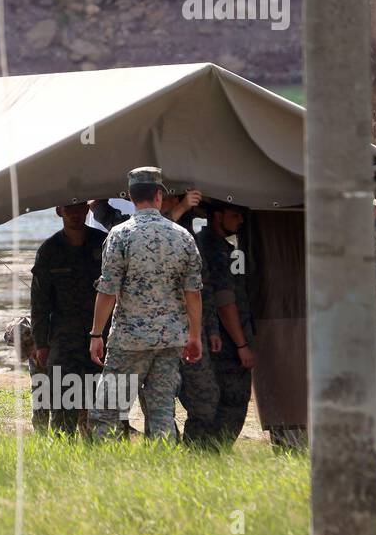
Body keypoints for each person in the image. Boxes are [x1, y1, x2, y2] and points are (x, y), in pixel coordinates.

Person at [88, 167, 203, 441]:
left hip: (130, 339)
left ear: (130, 195)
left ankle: (104, 466)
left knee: (108, 408)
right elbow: (193, 293)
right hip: (170, 338)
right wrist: (194, 335)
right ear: (159, 195)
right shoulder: (183, 236)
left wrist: (96, 333)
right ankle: (163, 467)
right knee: (162, 407)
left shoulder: (119, 235)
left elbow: (108, 291)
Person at [29, 201, 106, 434]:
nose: (75, 213)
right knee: (63, 405)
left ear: (87, 209)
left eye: (80, 207)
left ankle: (103, 452)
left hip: (101, 333)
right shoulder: (49, 250)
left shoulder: (103, 243)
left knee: (105, 401)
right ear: (59, 211)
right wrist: (41, 343)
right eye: (69, 208)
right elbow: (39, 302)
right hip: (64, 336)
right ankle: (64, 449)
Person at [196, 202, 255, 445]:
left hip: (216, 338)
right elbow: (224, 300)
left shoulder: (208, 243)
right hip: (226, 342)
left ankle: (209, 451)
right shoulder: (215, 249)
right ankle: (214, 451)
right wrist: (242, 344)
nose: (240, 220)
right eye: (234, 215)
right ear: (217, 216)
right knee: (233, 398)